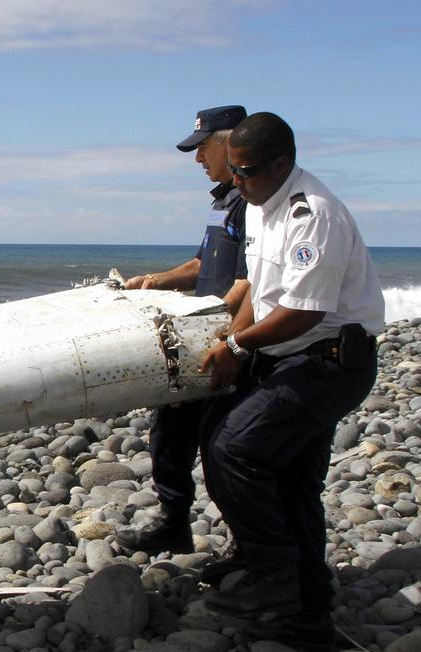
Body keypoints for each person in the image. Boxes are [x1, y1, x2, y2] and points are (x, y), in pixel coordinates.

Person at [198, 112, 384, 648]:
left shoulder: (313, 216)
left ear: (282, 164)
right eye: (232, 171)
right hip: (288, 356)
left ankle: (272, 573)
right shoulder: (261, 203)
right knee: (286, 479)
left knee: (237, 450)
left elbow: (303, 311)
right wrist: (235, 342)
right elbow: (260, 286)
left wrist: (236, 345)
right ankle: (309, 614)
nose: (236, 182)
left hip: (328, 362)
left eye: (247, 172)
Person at [116, 105, 252, 554]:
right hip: (201, 335)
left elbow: (252, 281)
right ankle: (173, 521)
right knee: (169, 431)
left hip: (230, 340)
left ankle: (245, 542)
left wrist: (226, 337)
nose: (197, 160)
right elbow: (201, 265)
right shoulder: (222, 202)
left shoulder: (254, 203)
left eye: (202, 149)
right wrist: (153, 281)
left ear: (231, 144)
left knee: (222, 446)